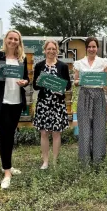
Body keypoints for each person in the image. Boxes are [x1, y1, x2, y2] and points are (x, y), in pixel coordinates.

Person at [0, 29, 30, 189]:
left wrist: (25, 83)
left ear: (19, 42)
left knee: (10, 136)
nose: (13, 41)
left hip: (16, 102)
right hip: (1, 103)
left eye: (16, 39)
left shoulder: (21, 59)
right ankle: (7, 173)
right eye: (10, 38)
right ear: (5, 40)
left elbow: (27, 79)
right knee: (4, 136)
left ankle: (7, 166)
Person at [33, 39, 71, 169]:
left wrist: (62, 90)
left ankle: (54, 161)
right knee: (44, 133)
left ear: (57, 51)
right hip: (43, 103)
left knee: (56, 133)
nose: (51, 51)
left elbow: (68, 84)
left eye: (53, 49)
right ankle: (45, 161)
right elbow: (35, 86)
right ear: (45, 50)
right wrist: (39, 81)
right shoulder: (39, 66)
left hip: (57, 104)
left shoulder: (63, 66)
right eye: (48, 49)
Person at [73, 37, 107, 166]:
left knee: (99, 127)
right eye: (89, 46)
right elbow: (76, 82)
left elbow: (106, 82)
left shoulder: (103, 63)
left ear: (97, 48)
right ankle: (85, 160)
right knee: (84, 128)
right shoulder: (79, 63)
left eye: (94, 47)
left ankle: (98, 159)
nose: (92, 49)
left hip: (99, 96)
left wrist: (104, 82)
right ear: (86, 48)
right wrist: (82, 80)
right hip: (84, 95)